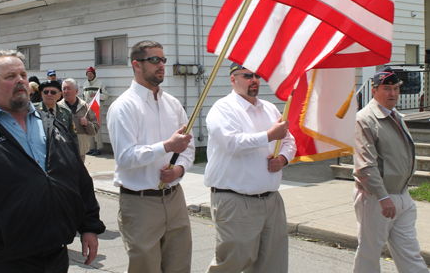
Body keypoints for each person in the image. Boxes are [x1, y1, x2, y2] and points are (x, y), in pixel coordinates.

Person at [0, 50, 106, 273]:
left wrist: (89, 226)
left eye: (23, 75)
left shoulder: (52, 126)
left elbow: (79, 178)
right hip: (6, 259)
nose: (20, 80)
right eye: (10, 76)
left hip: (56, 253)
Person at [107, 40, 195, 273]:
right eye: (154, 60)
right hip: (140, 201)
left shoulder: (172, 104)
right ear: (136, 64)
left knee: (179, 266)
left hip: (175, 198)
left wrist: (180, 169)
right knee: (146, 268)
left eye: (163, 60)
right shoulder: (123, 106)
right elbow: (125, 158)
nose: (161, 65)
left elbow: (189, 145)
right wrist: (166, 146)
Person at [204, 62, 296, 273]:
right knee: (232, 263)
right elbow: (233, 143)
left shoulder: (269, 108)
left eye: (257, 75)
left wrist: (282, 158)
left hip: (271, 201)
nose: (254, 80)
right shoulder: (223, 108)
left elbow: (289, 141)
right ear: (232, 79)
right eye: (247, 75)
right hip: (236, 200)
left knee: (273, 264)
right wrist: (270, 135)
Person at [352, 67, 428, 273]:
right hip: (377, 198)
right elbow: (365, 165)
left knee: (409, 252)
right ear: (374, 90)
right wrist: (383, 197)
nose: (393, 93)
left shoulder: (395, 115)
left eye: (395, 88)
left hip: (402, 196)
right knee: (369, 253)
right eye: (387, 88)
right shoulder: (365, 119)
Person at [59, 78, 99, 163]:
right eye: (64, 89)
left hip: (80, 152)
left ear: (76, 91)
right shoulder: (57, 108)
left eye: (69, 89)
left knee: (79, 175)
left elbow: (94, 130)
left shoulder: (85, 107)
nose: (65, 91)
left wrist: (87, 124)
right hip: (62, 151)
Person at [34, 80, 78, 147]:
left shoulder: (66, 113)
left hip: (61, 153)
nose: (49, 94)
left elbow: (73, 138)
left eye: (53, 92)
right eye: (46, 92)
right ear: (41, 94)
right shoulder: (33, 111)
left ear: (59, 95)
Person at [82, 66, 109, 155]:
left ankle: (99, 147)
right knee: (89, 127)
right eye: (88, 74)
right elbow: (83, 96)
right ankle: (91, 147)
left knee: (97, 128)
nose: (89, 75)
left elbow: (105, 95)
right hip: (88, 108)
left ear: (94, 74)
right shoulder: (85, 83)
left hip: (97, 108)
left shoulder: (100, 83)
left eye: (91, 73)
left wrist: (96, 95)